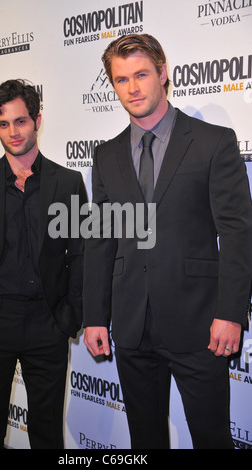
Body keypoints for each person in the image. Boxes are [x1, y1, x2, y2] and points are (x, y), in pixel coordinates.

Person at [83, 34, 252, 449]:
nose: (133, 88)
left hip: (199, 324)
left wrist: (231, 313)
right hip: (131, 325)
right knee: (145, 438)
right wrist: (94, 316)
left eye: (141, 75)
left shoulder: (214, 141)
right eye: (121, 80)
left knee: (212, 437)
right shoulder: (105, 155)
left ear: (162, 73)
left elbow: (237, 232)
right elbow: (101, 240)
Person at [0, 79, 87, 449]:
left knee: (46, 434)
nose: (13, 132)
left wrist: (69, 316)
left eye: (21, 121)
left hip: (47, 323)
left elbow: (79, 253)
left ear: (37, 120)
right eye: (3, 123)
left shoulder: (68, 183)